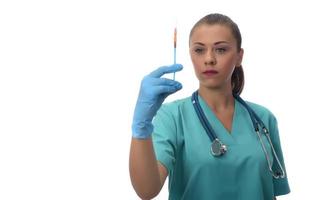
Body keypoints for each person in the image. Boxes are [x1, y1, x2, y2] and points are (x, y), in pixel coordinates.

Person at [129, 13, 290, 200]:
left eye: (221, 49)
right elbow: (146, 190)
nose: (209, 59)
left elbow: (270, 193)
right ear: (190, 55)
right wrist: (141, 126)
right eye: (199, 50)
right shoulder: (172, 117)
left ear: (239, 57)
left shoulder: (263, 118)